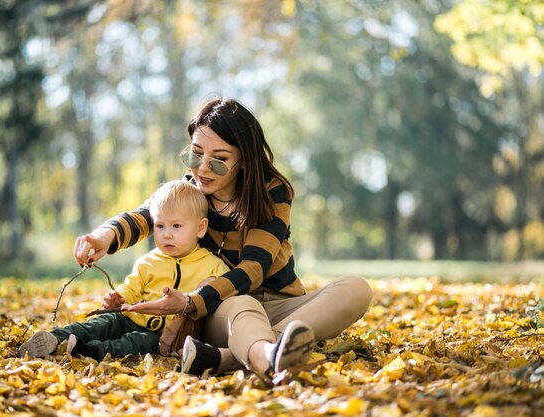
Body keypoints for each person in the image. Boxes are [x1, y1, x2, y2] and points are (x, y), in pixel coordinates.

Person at [73, 97, 373, 375]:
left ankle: (232, 357)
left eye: (218, 160)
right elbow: (144, 216)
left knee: (357, 288)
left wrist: (191, 300)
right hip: (221, 308)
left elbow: (254, 269)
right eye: (195, 154)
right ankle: (267, 357)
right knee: (244, 304)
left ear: (244, 159)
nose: (203, 168)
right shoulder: (189, 191)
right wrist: (103, 236)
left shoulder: (271, 192)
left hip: (281, 304)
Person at [20, 180, 229, 361]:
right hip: (129, 317)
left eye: (176, 226)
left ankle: (90, 351)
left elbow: (214, 297)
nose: (167, 234)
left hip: (160, 333)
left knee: (135, 343)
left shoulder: (212, 265)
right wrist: (119, 297)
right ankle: (55, 338)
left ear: (200, 228)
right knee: (101, 324)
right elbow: (132, 288)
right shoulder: (148, 261)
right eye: (160, 226)